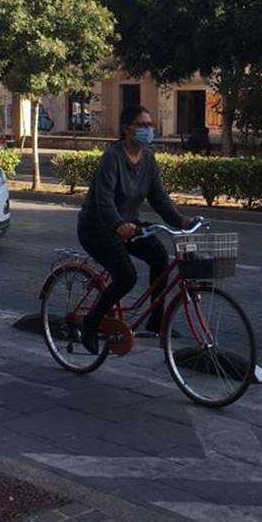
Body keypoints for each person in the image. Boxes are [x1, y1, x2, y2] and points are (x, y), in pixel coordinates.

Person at [77, 104, 194, 353]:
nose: (147, 130)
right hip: (97, 227)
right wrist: (118, 224)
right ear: (126, 129)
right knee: (126, 276)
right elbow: (104, 199)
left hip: (129, 225)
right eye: (142, 125)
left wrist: (181, 221)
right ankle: (91, 322)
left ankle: (156, 320)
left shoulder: (148, 158)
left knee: (160, 258)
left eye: (150, 125)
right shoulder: (113, 157)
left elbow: (158, 198)